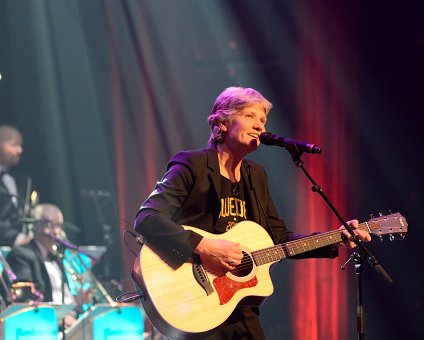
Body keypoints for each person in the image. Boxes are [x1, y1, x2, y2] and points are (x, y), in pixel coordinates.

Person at [134, 87, 371, 339]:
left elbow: (278, 239)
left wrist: (336, 237)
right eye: (250, 116)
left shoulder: (255, 176)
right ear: (221, 123)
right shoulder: (191, 165)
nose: (259, 125)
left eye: (263, 120)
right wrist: (203, 245)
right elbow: (147, 219)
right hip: (195, 300)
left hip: (238, 307)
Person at [6, 203, 80, 328]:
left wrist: (79, 302)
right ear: (35, 225)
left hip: (71, 321)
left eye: (59, 226)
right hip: (44, 325)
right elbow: (25, 300)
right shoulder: (21, 255)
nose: (57, 232)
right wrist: (61, 319)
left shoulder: (57, 257)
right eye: (51, 225)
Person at [0, 125, 33, 246]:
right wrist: (16, 238)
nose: (20, 150)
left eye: (21, 145)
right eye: (14, 145)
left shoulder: (21, 180)